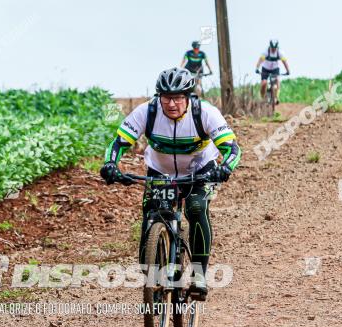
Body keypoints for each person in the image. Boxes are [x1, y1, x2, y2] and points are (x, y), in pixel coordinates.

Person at [99, 68, 241, 299]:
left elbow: (232, 148)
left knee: (195, 207)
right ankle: (152, 283)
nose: (172, 103)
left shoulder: (205, 113)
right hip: (160, 173)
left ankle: (198, 275)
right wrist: (110, 164)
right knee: (152, 216)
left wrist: (225, 167)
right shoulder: (147, 112)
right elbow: (118, 143)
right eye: (166, 97)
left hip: (199, 173)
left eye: (177, 97)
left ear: (188, 97)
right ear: (159, 97)